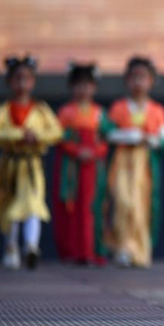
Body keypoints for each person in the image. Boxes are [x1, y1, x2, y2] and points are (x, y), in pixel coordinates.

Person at [0, 55, 62, 270]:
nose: (22, 84)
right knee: (10, 206)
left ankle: (31, 246)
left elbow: (56, 131)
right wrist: (18, 135)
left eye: (26, 79)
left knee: (33, 205)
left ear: (33, 82)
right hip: (10, 166)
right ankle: (11, 246)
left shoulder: (40, 110)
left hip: (31, 165)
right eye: (17, 79)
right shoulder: (4, 109)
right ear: (10, 82)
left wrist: (37, 136)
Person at [103, 56, 164, 268]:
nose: (138, 82)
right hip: (123, 162)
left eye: (143, 77)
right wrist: (129, 136)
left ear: (151, 81)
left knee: (141, 205)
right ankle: (122, 247)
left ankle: (140, 250)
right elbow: (108, 133)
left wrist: (149, 139)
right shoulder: (119, 107)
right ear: (126, 80)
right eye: (134, 77)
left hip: (144, 164)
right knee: (123, 202)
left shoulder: (157, 110)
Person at [53, 63, 110, 266]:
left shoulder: (99, 113)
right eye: (78, 85)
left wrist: (94, 152)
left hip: (94, 168)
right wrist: (77, 151)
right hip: (72, 167)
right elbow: (60, 137)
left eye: (87, 85)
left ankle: (92, 251)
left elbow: (105, 139)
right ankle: (73, 251)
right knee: (72, 206)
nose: (83, 90)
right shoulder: (66, 112)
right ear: (71, 87)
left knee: (93, 207)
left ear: (94, 88)